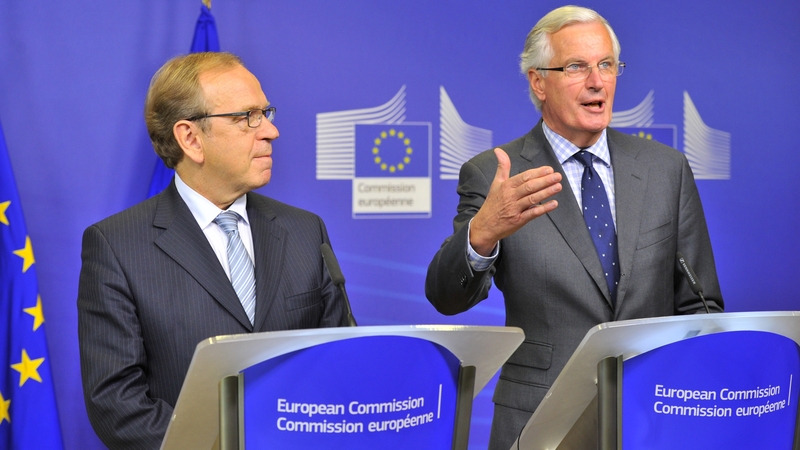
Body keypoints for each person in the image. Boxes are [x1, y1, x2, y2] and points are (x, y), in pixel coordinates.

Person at [425, 6, 723, 449]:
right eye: (576, 67)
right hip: (541, 420)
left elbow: (702, 305)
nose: (597, 81)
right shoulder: (495, 174)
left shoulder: (666, 170)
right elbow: (446, 297)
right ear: (538, 81)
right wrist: (483, 232)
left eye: (606, 65)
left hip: (652, 417)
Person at [77, 52, 348, 449]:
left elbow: (341, 361)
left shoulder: (305, 230)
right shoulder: (116, 245)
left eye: (267, 112)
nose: (271, 131)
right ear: (190, 138)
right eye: (247, 117)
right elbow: (117, 404)